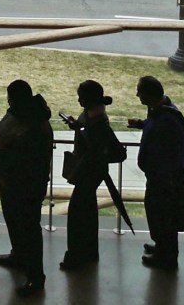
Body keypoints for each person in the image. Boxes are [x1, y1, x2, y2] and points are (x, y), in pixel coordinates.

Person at [0, 80, 53, 297]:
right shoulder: (29, 115)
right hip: (15, 181)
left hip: (24, 184)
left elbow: (23, 154)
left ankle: (36, 277)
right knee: (18, 224)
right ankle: (19, 256)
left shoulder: (32, 124)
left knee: (28, 229)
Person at [128, 76, 184, 270]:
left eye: (139, 91)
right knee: (158, 215)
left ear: (149, 94)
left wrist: (162, 177)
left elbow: (170, 152)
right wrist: (142, 124)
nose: (137, 94)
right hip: (161, 177)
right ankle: (161, 247)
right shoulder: (162, 112)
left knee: (165, 217)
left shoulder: (167, 118)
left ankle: (167, 257)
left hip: (165, 179)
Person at [59, 80, 116, 270]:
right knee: (87, 213)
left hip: (88, 171)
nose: (78, 100)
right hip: (93, 171)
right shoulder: (97, 117)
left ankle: (75, 255)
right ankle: (89, 252)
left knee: (77, 216)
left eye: (81, 97)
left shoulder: (95, 122)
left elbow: (92, 146)